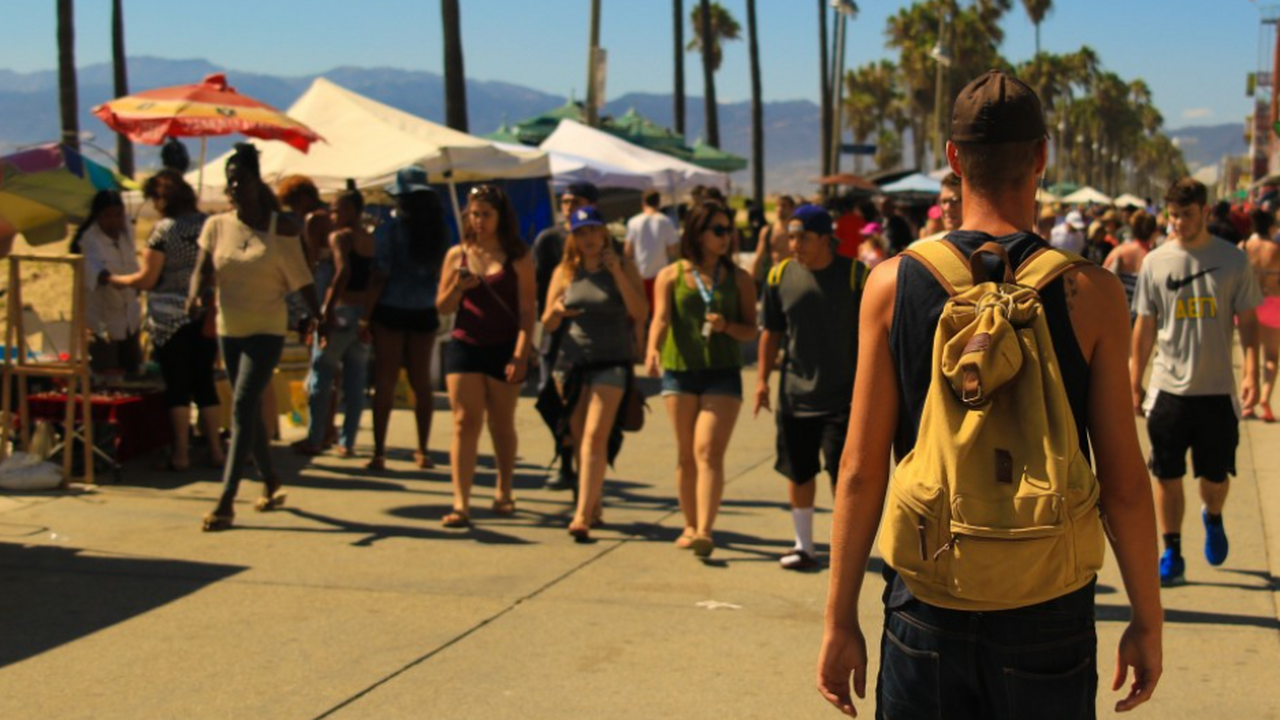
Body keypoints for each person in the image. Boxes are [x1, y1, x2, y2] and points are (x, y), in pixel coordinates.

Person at [819, 70, 1163, 717]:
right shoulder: (1091, 293)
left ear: (952, 159)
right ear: (1041, 156)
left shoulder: (892, 285)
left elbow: (861, 470)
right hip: (1048, 602)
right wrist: (1147, 618)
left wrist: (839, 620)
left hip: (927, 598)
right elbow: (1122, 480)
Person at [1131, 178, 1262, 587]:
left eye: (1187, 215)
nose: (1179, 223)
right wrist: (1135, 379)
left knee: (1214, 479)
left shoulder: (1233, 261)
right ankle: (1172, 548)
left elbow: (1251, 323)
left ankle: (1213, 516)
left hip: (1217, 391)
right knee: (1166, 474)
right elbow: (1145, 327)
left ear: (1204, 212)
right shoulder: (1156, 262)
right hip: (1169, 390)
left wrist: (1253, 372)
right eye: (1173, 216)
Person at [189, 143, 320, 532]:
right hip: (230, 329)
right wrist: (195, 294)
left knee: (243, 401)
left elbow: (303, 280)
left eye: (240, 181)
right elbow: (201, 270)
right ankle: (271, 479)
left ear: (255, 182)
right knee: (247, 412)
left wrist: (320, 316)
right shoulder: (216, 226)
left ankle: (227, 498)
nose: (234, 188)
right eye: (229, 183)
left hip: (266, 327)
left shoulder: (283, 229)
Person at [754, 204, 865, 571]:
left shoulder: (855, 275)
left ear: (824, 238)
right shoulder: (780, 275)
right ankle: (804, 546)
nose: (794, 244)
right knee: (798, 472)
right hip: (794, 397)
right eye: (791, 237)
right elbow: (771, 331)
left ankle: (844, 548)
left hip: (843, 398)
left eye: (802, 237)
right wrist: (761, 382)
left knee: (843, 479)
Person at [646, 200, 758, 558]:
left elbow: (750, 331)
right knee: (686, 455)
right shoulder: (671, 275)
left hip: (722, 374)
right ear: (697, 232)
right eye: (719, 230)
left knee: (707, 450)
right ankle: (690, 524)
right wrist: (651, 350)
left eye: (729, 230)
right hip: (679, 372)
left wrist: (727, 327)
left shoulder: (738, 278)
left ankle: (705, 531)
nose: (726, 237)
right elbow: (660, 318)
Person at [106, 170, 224, 470]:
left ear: (162, 199)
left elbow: (148, 279)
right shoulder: (208, 224)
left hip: (170, 319)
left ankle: (181, 454)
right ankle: (216, 449)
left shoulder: (163, 231)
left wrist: (117, 280)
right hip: (206, 313)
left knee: (178, 386)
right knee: (205, 383)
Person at [543, 206, 648, 541]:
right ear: (573, 237)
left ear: (605, 233)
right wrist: (558, 310)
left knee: (594, 437)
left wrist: (617, 273)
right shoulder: (565, 270)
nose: (588, 239)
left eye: (593, 231)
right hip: (572, 364)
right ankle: (595, 501)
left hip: (612, 362)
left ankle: (581, 514)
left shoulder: (624, 266)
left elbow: (640, 312)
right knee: (577, 440)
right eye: (581, 232)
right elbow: (546, 321)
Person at [437, 184, 537, 529]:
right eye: (474, 214)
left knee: (501, 421)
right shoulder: (457, 255)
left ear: (500, 217)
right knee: (465, 422)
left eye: (486, 215)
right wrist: (457, 287)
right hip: (465, 343)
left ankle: (504, 488)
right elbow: (443, 307)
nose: (479, 221)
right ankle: (461, 502)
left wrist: (521, 354)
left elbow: (527, 311)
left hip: (505, 346)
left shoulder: (518, 256)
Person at [362, 167, 448, 470]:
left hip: (390, 309)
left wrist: (365, 318)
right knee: (421, 381)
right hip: (424, 309)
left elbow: (379, 275)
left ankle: (379, 452)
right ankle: (423, 450)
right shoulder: (438, 229)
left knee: (384, 379)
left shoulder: (390, 230)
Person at [292, 189, 375, 457]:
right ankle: (347, 442)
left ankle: (316, 438)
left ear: (352, 210)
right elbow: (377, 278)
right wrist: (367, 317)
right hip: (362, 313)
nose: (332, 214)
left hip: (339, 311)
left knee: (321, 376)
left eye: (337, 209)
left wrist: (326, 311)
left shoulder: (339, 237)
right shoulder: (370, 240)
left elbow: (344, 271)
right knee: (355, 382)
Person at [533, 182, 597, 492]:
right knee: (547, 396)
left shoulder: (603, 244)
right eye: (565, 201)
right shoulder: (548, 240)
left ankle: (571, 464)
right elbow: (536, 290)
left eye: (576, 201)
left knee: (581, 404)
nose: (569, 206)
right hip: (554, 334)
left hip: (589, 340)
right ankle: (565, 446)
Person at [74, 190, 142, 375]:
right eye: (107, 216)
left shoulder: (127, 231)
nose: (114, 221)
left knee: (133, 372)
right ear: (98, 216)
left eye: (118, 214)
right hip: (103, 324)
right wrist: (117, 280)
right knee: (107, 376)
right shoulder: (89, 240)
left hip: (131, 319)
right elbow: (96, 271)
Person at [1240, 208, 1280, 422]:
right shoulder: (1277, 248)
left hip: (1249, 301)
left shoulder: (1245, 247)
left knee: (1249, 351)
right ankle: (1264, 396)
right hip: (1274, 301)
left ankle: (1247, 403)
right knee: (1272, 356)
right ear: (1271, 227)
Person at [623, 189, 679, 315]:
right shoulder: (665, 221)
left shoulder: (633, 222)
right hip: (661, 276)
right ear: (659, 202)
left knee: (642, 315)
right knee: (660, 313)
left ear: (643, 202)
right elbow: (673, 251)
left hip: (639, 275)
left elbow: (627, 251)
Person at [1104, 209, 1154, 322]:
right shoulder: (1154, 257)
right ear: (1153, 232)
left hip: (1120, 316)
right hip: (1145, 318)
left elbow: (1102, 280)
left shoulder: (1120, 251)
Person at [750, 194, 797, 288]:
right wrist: (751, 280)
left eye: (784, 206)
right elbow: (759, 256)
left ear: (792, 209)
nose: (780, 209)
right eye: (778, 205)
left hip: (793, 279)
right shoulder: (767, 231)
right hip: (773, 279)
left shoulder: (797, 232)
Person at [911, 173, 963, 248]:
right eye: (944, 201)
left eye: (954, 200)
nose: (947, 208)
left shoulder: (982, 246)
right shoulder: (922, 248)